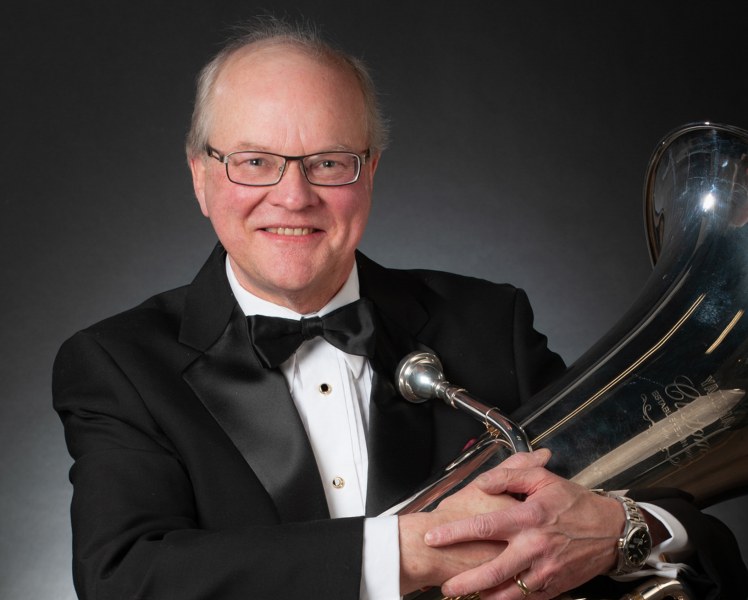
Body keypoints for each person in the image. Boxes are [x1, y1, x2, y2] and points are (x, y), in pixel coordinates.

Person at [53, 18, 747, 600]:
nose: (293, 196)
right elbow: (125, 578)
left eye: (329, 161)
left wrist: (621, 531)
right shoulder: (119, 364)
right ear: (202, 177)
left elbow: (703, 538)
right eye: (254, 161)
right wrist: (401, 553)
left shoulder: (487, 325)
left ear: (371, 172)